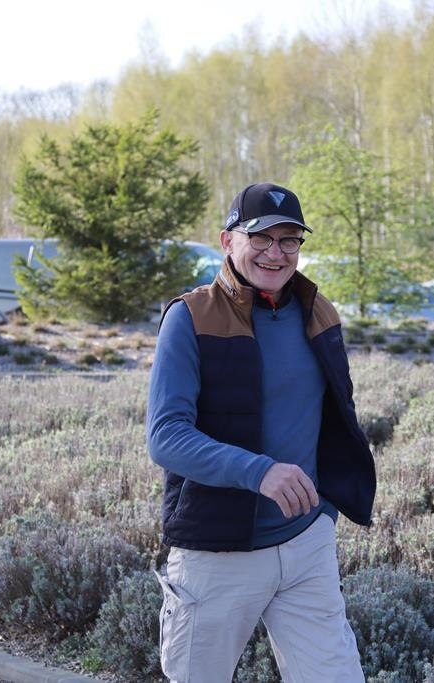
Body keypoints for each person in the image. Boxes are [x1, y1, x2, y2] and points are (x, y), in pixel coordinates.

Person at [146, 182, 376, 683]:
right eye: (261, 237)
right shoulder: (190, 317)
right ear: (227, 241)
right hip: (217, 552)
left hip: (306, 545)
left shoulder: (319, 312)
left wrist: (324, 514)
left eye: (289, 239)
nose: (276, 253)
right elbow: (166, 436)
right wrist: (260, 473)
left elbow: (335, 415)